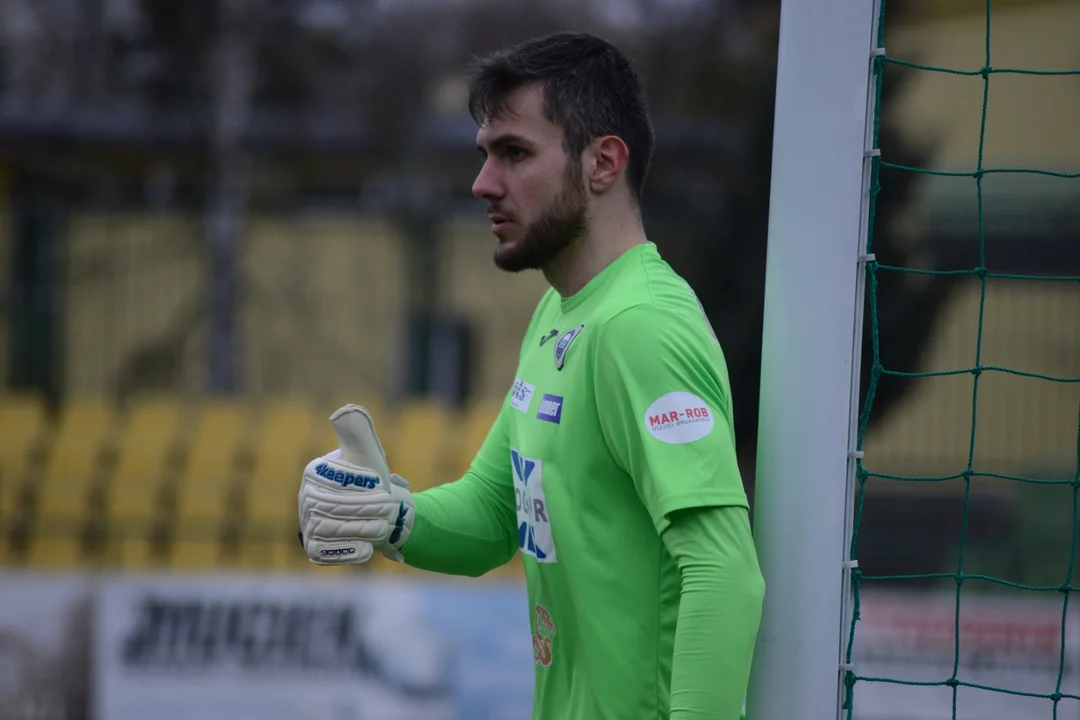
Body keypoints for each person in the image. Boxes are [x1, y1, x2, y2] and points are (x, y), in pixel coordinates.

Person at [298, 31, 765, 720]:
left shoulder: (639, 326)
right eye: (486, 155)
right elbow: (493, 516)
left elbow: (724, 574)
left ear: (603, 162)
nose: (484, 183)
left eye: (515, 153)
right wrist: (393, 517)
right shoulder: (559, 311)